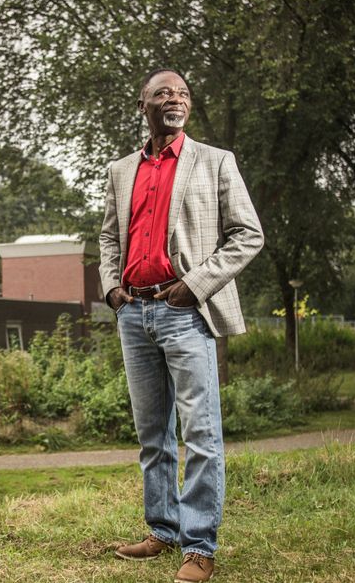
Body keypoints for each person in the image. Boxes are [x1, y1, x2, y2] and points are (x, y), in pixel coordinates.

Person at [99, 68, 264, 583]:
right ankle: (162, 530)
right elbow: (108, 238)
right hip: (134, 313)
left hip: (187, 312)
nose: (175, 99)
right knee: (153, 435)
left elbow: (247, 235)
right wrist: (111, 290)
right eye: (164, 93)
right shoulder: (121, 170)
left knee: (201, 434)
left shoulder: (215, 162)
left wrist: (196, 285)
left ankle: (199, 547)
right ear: (143, 105)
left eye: (183, 93)